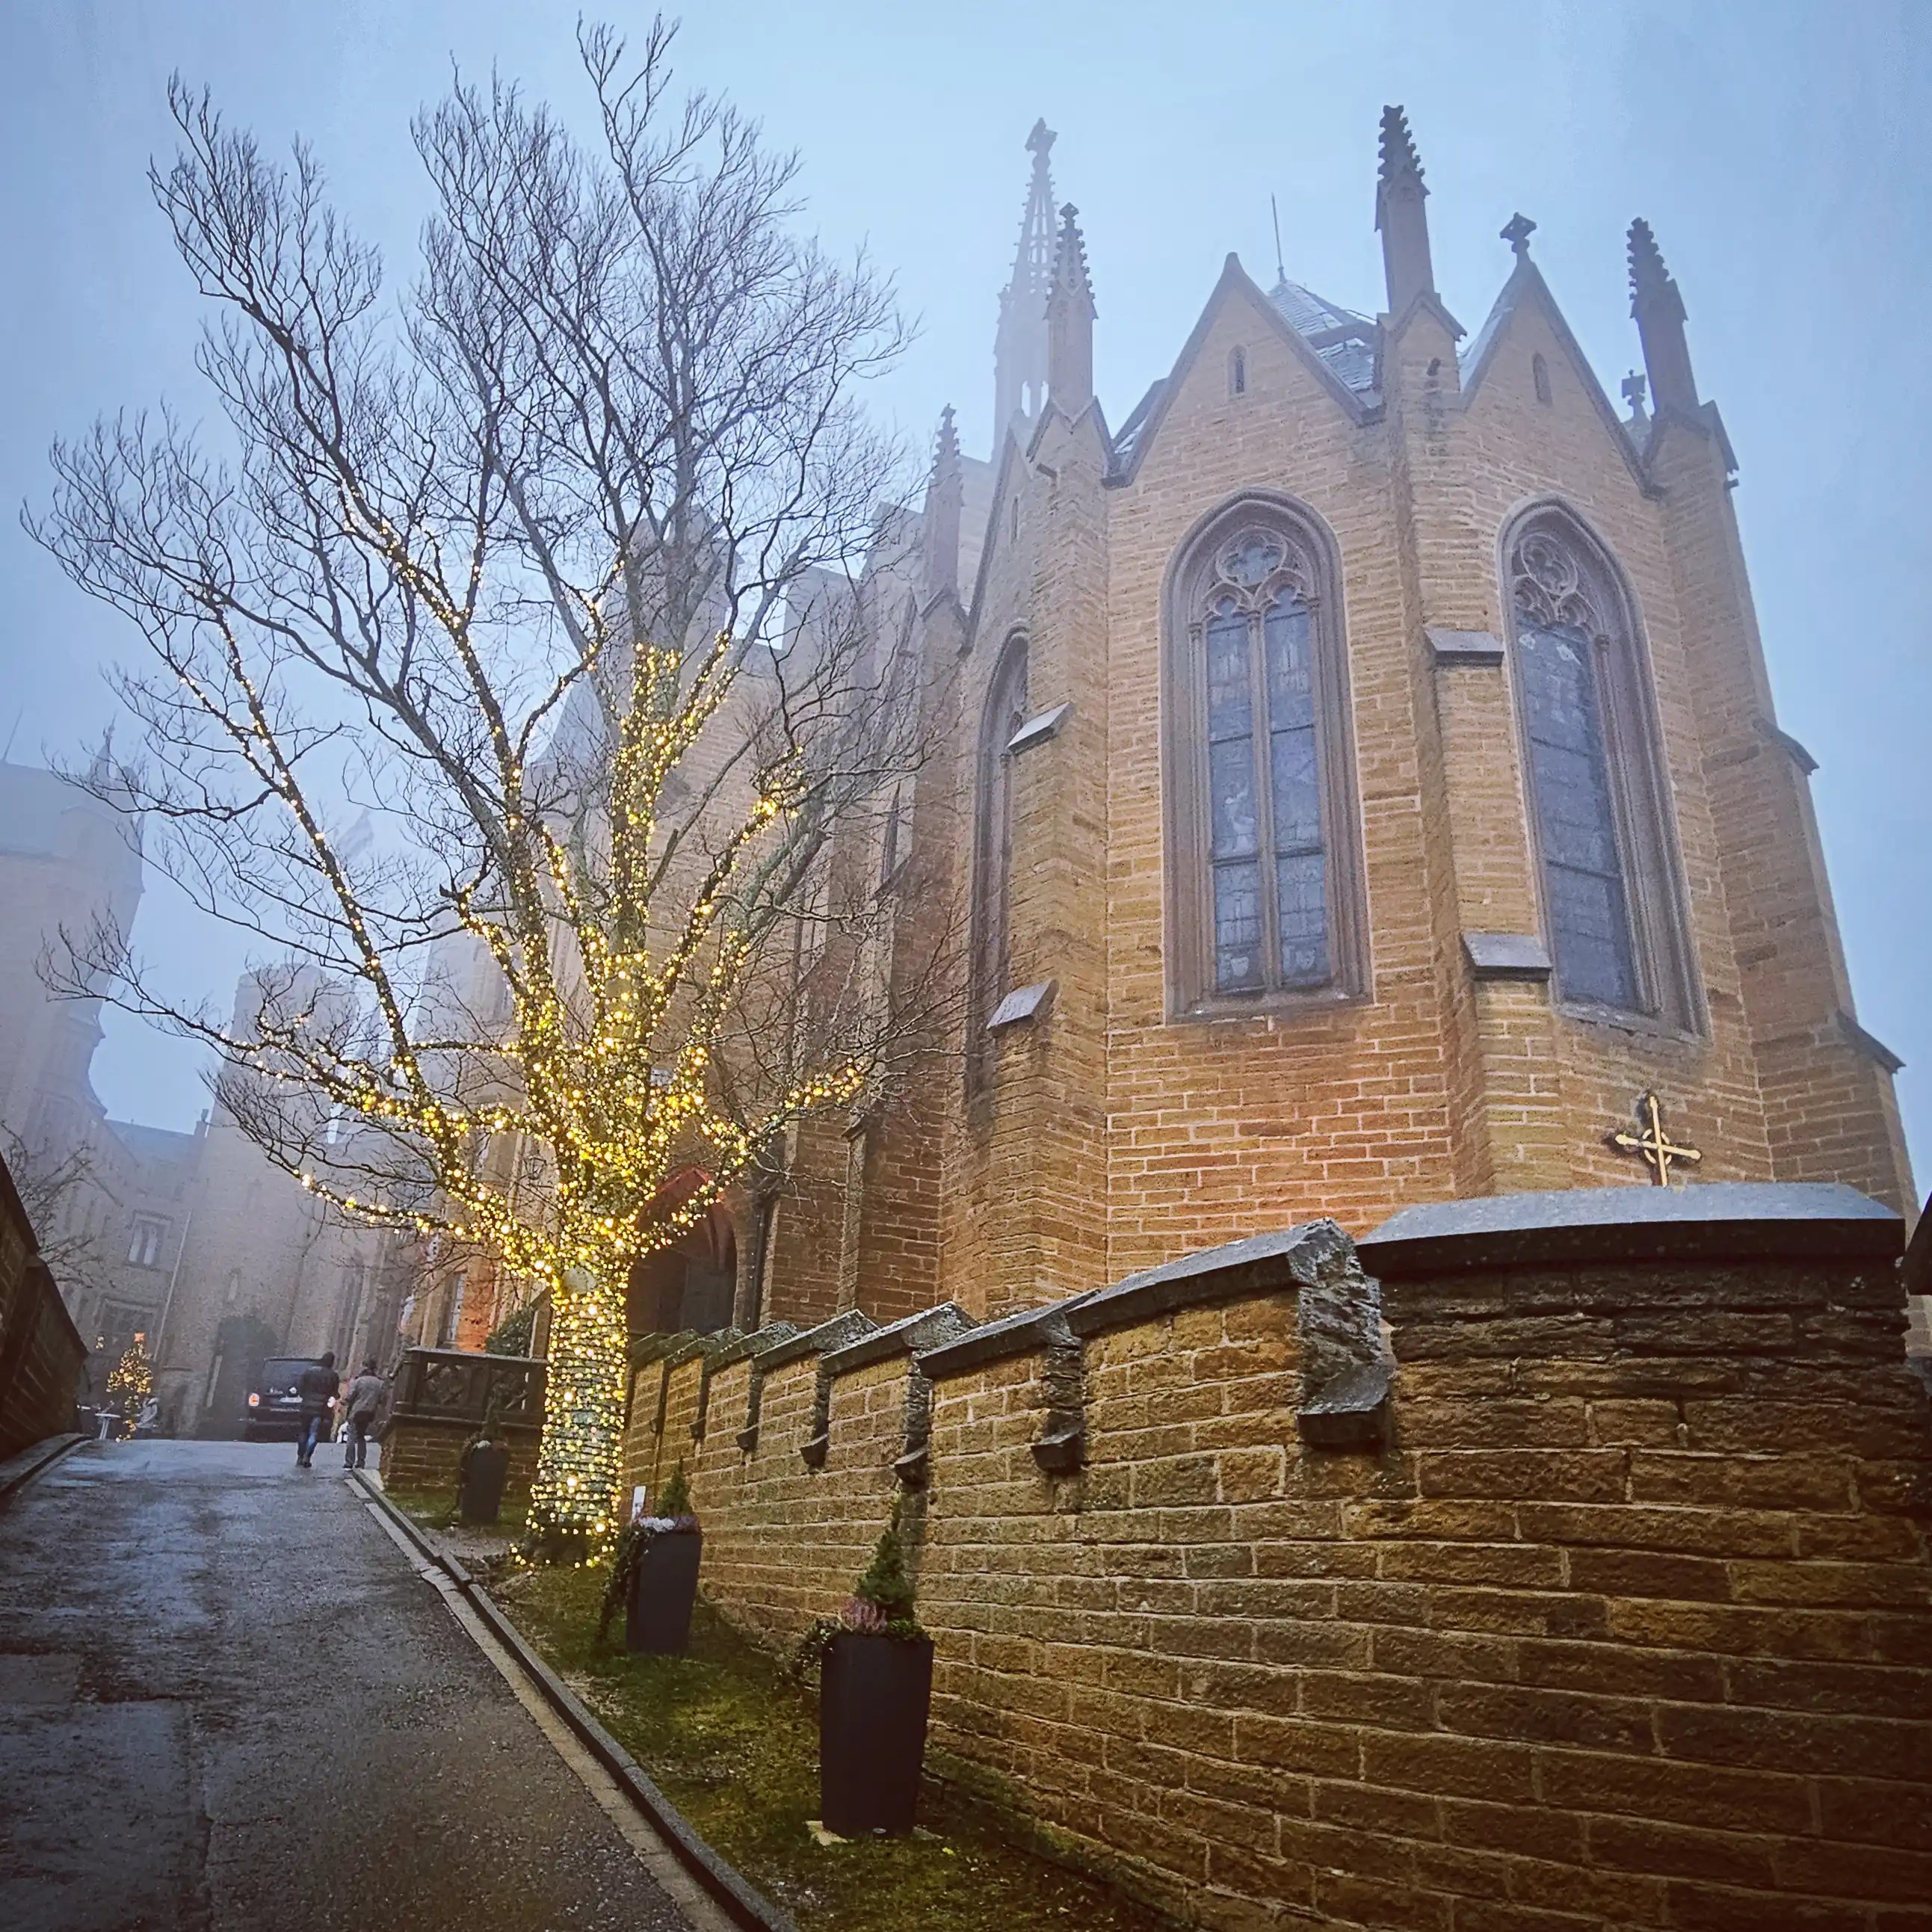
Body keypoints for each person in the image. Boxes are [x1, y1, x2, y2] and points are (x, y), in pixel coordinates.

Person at [294, 1352, 339, 1468]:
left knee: (303, 1431)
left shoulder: (309, 1372)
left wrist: (305, 1397)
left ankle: (300, 1456)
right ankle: (307, 1457)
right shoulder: (333, 1375)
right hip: (321, 1408)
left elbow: (301, 1388)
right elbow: (334, 1393)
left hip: (306, 1406)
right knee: (313, 1433)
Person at [341, 1360, 386, 1470]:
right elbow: (383, 1399)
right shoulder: (380, 1383)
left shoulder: (359, 1381)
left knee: (351, 1436)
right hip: (370, 1412)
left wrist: (344, 1401)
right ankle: (361, 1461)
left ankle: (349, 1461)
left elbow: (350, 1397)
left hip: (356, 1412)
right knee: (361, 1437)